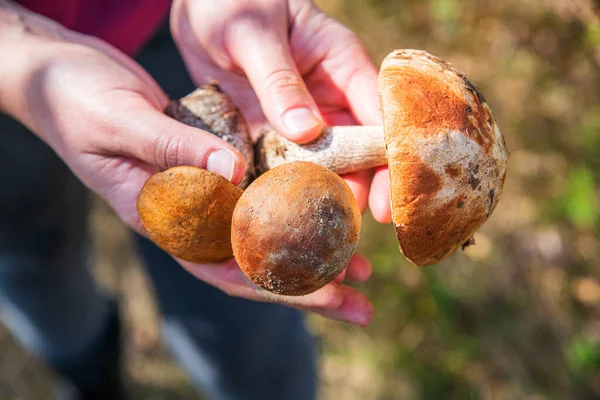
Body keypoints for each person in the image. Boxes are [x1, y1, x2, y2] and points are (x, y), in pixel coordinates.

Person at [0, 0, 392, 398]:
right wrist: (19, 54)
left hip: (162, 19)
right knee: (38, 263)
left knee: (246, 341)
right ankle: (89, 377)